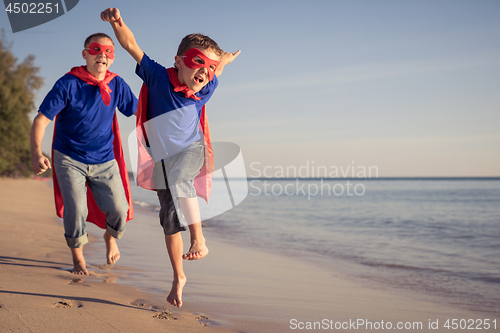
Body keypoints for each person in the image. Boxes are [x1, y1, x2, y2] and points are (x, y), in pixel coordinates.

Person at [101, 7, 240, 307]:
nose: (205, 72)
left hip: (192, 150)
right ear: (178, 61)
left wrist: (223, 60)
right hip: (161, 158)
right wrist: (117, 23)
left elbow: (217, 70)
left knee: (180, 179)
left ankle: (199, 239)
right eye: (197, 63)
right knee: (169, 219)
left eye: (211, 68)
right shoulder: (158, 77)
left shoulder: (207, 86)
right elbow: (131, 46)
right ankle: (179, 276)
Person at [30, 32, 138, 275]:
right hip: (69, 157)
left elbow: (140, 112)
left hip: (104, 160)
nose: (102, 55)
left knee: (120, 210)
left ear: (112, 58)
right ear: (85, 54)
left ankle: (110, 237)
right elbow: (41, 120)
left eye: (108, 51)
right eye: (96, 49)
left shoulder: (117, 84)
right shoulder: (68, 83)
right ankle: (78, 258)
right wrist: (37, 153)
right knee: (76, 209)